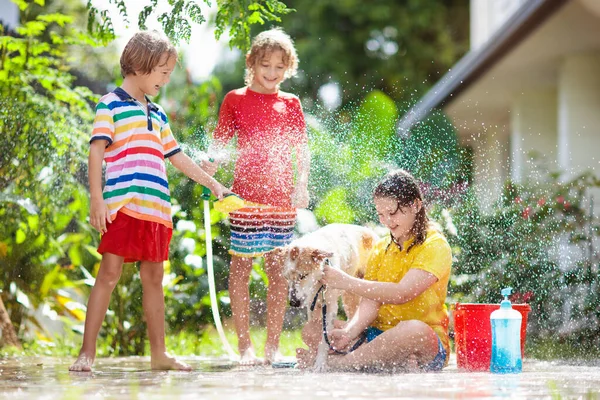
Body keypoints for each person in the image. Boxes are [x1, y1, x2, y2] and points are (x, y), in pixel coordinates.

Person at [69, 31, 229, 372]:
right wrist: (96, 198)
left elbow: (177, 156)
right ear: (139, 66)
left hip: (156, 209)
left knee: (154, 279)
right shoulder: (109, 104)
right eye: (162, 70)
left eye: (169, 72)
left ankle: (159, 354)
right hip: (123, 205)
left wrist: (214, 184)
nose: (166, 78)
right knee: (109, 274)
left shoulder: (157, 114)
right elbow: (95, 150)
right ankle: (87, 353)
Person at [211, 27, 309, 365]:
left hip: (281, 202)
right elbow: (220, 145)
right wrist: (208, 171)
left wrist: (302, 185)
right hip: (246, 200)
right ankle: (244, 347)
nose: (271, 73)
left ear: (288, 68)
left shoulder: (291, 103)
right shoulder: (235, 99)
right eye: (265, 65)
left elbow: (302, 151)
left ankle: (271, 347)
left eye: (279, 67)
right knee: (240, 269)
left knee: (277, 272)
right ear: (252, 63)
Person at [297, 169, 452, 372]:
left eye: (393, 212)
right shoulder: (381, 247)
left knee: (414, 330)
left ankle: (337, 364)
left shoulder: (435, 245)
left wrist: (345, 281)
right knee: (313, 329)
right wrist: (350, 333)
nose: (387, 221)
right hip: (375, 335)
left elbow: (402, 293)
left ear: (416, 205)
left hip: (422, 340)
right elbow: (371, 300)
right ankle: (386, 360)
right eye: (381, 214)